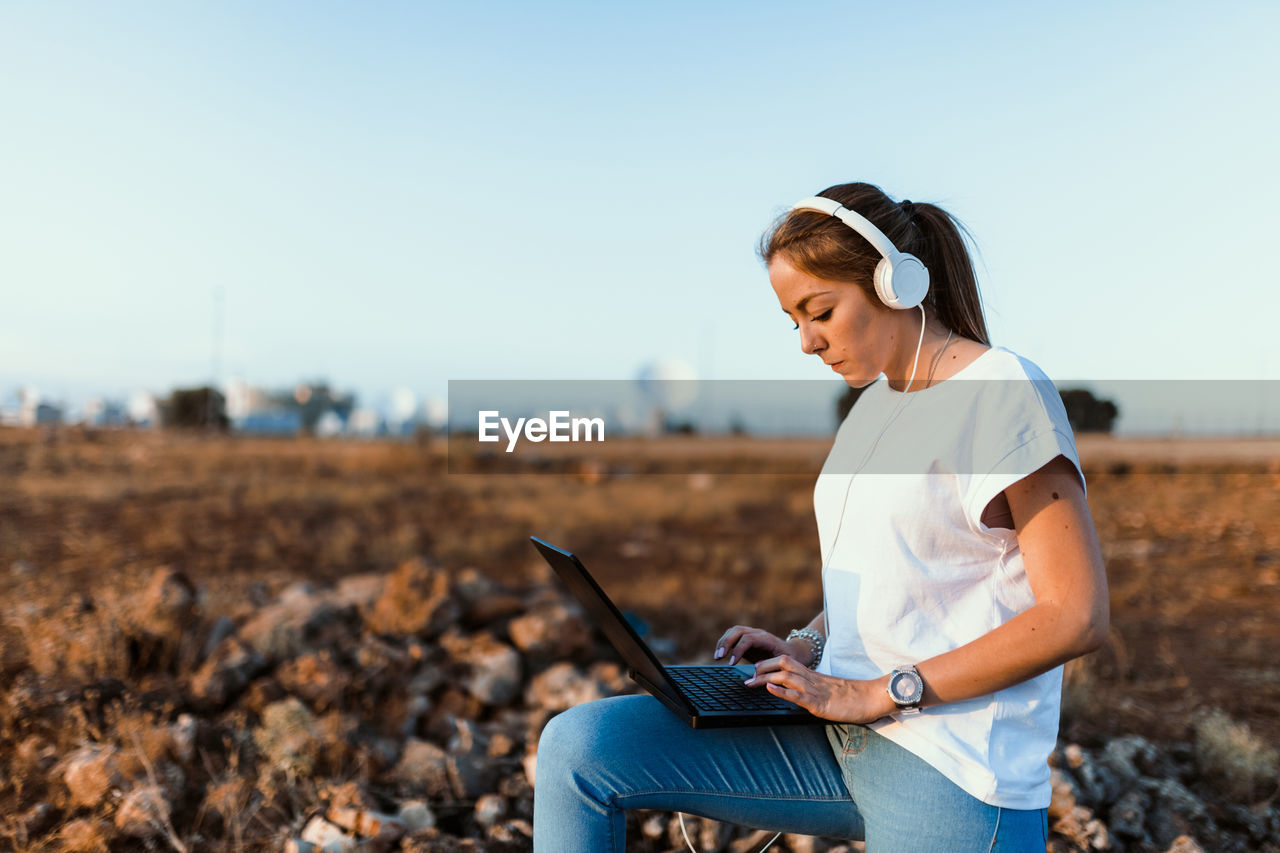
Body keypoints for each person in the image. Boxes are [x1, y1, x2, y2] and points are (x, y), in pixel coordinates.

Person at [532, 182, 1110, 852]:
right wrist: (804, 645)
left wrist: (880, 692)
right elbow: (900, 571)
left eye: (820, 311)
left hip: (950, 763)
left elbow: (1076, 615)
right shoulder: (871, 408)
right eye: (793, 320)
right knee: (578, 747)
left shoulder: (1002, 392)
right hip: (832, 733)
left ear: (895, 283)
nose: (806, 342)